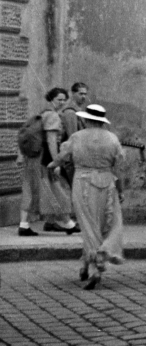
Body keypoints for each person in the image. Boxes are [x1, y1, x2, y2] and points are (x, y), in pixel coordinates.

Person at [48, 105, 125, 290]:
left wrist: (52, 164)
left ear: (87, 119)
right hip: (107, 182)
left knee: (88, 225)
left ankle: (94, 268)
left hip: (82, 182)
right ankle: (87, 263)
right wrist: (120, 190)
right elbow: (119, 167)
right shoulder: (112, 138)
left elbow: (62, 156)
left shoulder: (77, 137)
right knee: (105, 224)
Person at [16, 87, 80, 237]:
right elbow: (52, 141)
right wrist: (56, 162)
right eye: (59, 99)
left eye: (64, 99)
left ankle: (24, 224)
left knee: (30, 189)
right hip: (44, 160)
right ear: (51, 99)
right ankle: (67, 223)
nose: (62, 102)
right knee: (57, 190)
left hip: (32, 159)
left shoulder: (40, 114)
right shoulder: (52, 117)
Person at [59, 82, 89, 185]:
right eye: (80, 94)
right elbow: (73, 137)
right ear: (72, 93)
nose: (84, 97)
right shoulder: (70, 112)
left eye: (85, 94)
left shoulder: (79, 111)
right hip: (71, 159)